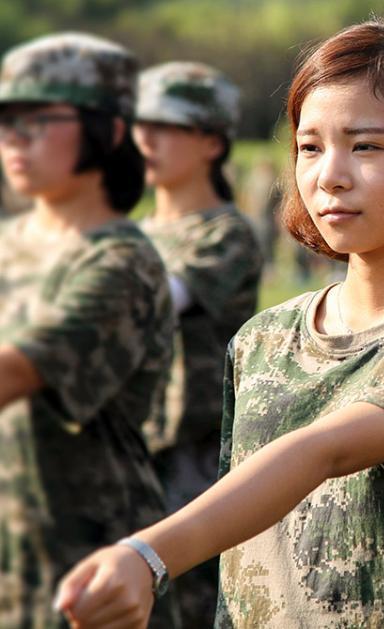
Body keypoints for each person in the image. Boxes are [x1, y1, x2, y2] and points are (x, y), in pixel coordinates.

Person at [54, 16, 384, 628]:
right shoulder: (262, 339)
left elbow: (326, 449)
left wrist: (149, 555)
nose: (329, 175)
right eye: (309, 147)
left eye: (366, 146)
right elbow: (244, 560)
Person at [0, 33, 179, 627]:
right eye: (6, 120)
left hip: (94, 574)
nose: (13, 139)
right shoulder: (9, 244)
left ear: (110, 131)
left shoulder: (119, 261)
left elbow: (15, 372)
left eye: (38, 119)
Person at [133, 61, 263, 629]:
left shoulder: (225, 234)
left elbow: (149, 301)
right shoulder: (130, 233)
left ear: (212, 141)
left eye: (168, 126)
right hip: (126, 454)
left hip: (192, 465)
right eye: (139, 124)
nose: (146, 139)